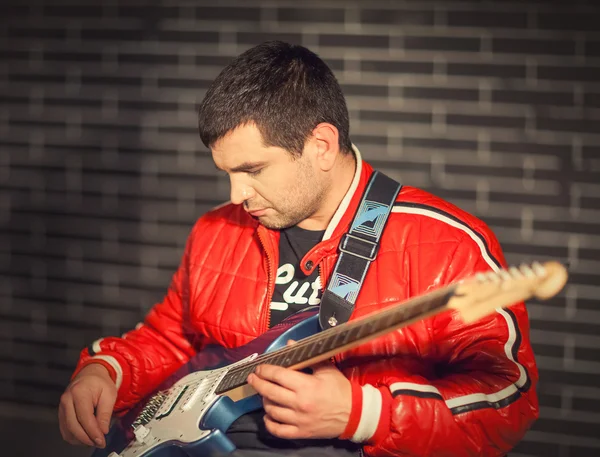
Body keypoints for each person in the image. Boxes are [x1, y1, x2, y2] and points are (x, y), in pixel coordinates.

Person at [58, 41, 539, 457]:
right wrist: (106, 370)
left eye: (253, 170)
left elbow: (506, 399)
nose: (235, 195)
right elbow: (174, 336)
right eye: (226, 173)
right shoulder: (217, 229)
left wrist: (363, 414)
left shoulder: (446, 243)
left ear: (322, 146)